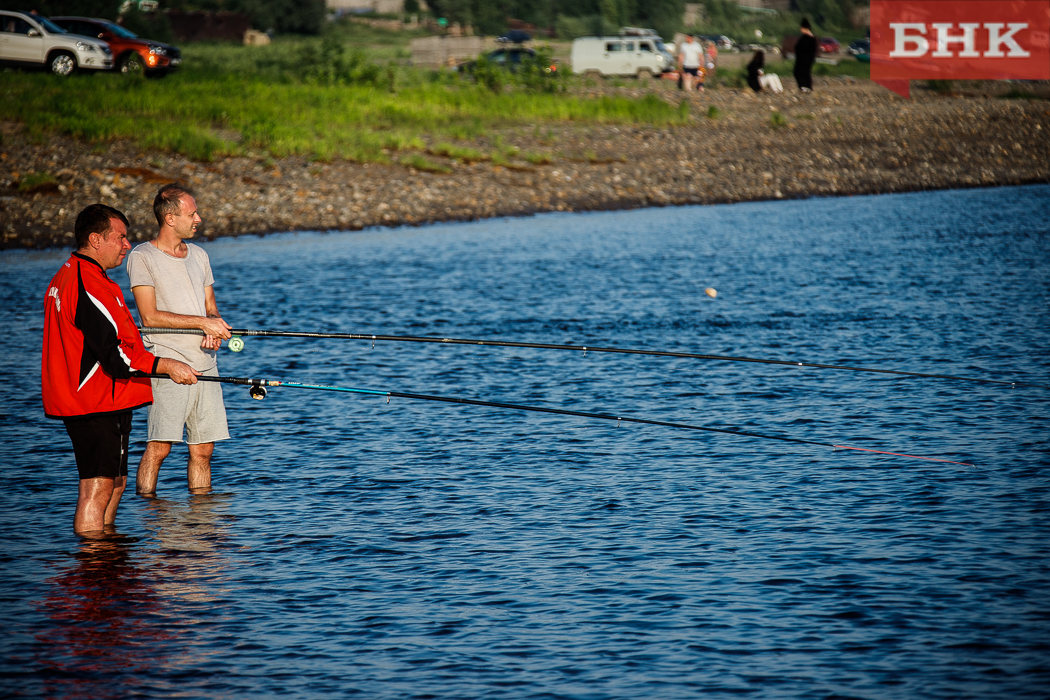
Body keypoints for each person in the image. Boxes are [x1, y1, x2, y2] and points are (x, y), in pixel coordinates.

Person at [43, 204, 199, 534]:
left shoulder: (81, 275)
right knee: (97, 488)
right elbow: (115, 355)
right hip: (91, 400)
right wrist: (166, 365)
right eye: (121, 238)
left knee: (116, 483)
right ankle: (94, 567)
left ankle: (110, 563)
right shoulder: (87, 283)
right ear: (95, 239)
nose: (127, 245)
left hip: (108, 399)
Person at [127, 184, 232, 496]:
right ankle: (147, 514)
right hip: (168, 363)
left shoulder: (199, 255)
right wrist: (201, 322)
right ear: (170, 218)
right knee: (159, 448)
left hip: (206, 365)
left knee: (203, 451)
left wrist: (213, 328)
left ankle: (202, 522)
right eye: (192, 213)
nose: (198, 218)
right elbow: (150, 317)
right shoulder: (142, 257)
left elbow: (210, 307)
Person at [794, 18, 817, 93]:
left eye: (801, 28)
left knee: (801, 72)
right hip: (804, 59)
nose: (801, 30)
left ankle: (804, 86)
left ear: (805, 28)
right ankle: (806, 87)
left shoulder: (808, 38)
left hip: (804, 59)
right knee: (804, 72)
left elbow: (805, 49)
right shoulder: (809, 38)